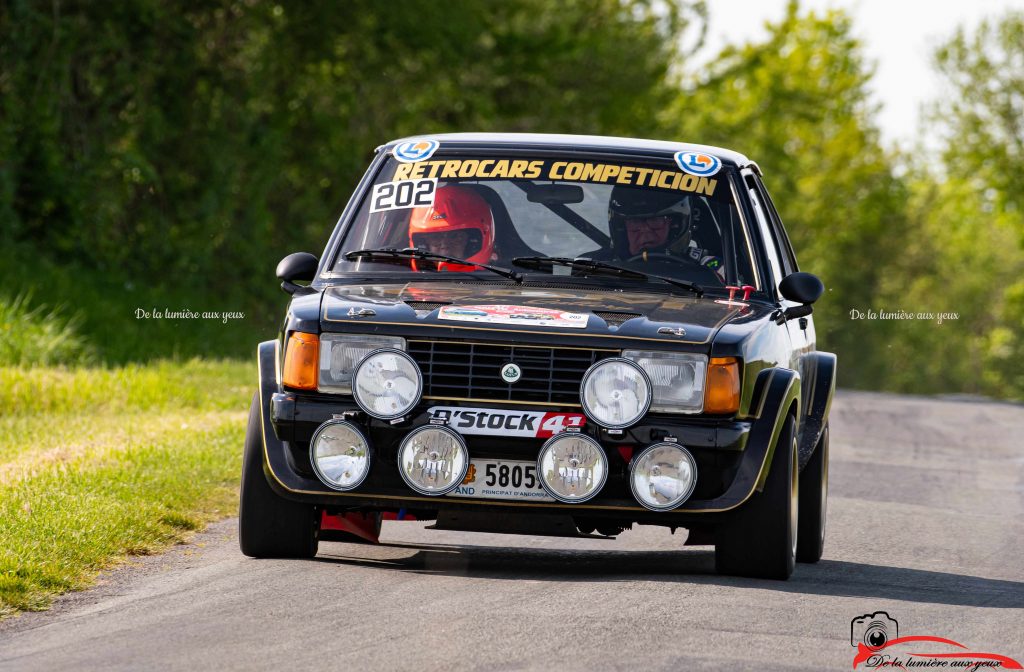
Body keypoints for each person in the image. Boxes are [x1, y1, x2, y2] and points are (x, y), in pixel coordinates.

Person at [592, 185, 726, 282]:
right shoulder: (592, 266)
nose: (645, 231)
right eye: (635, 222)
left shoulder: (712, 268)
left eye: (654, 221)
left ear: (675, 226)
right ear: (622, 228)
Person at [408, 185, 495, 272]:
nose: (444, 246)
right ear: (424, 243)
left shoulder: (503, 273)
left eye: (455, 237)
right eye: (435, 237)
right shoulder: (398, 272)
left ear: (471, 242)